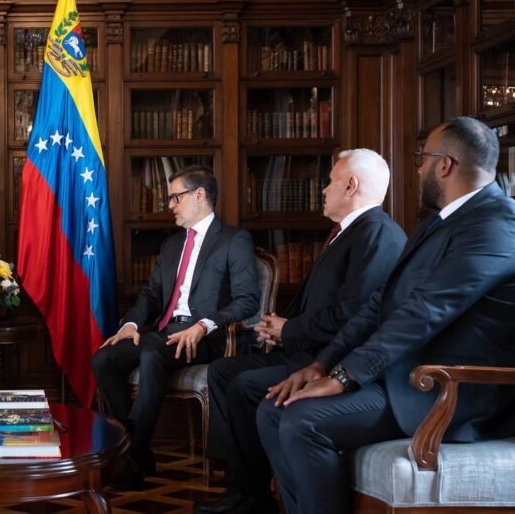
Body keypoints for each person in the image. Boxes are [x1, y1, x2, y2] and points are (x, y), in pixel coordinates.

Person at [256, 116, 515, 514]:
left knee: (302, 420)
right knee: (272, 410)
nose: (418, 168)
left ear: (444, 166)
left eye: (422, 158)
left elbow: (424, 312)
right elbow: (380, 302)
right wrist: (323, 364)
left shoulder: (498, 224)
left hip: (448, 389)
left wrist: (345, 377)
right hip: (403, 374)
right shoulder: (437, 221)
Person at [194, 149, 407, 514]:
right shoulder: (348, 232)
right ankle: (246, 491)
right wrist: (277, 329)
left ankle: (252, 497)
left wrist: (290, 330)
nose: (323, 190)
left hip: (330, 359)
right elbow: (323, 302)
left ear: (351, 185)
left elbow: (354, 314)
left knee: (244, 385)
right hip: (304, 348)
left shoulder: (378, 234)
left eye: (330, 182)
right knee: (223, 372)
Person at [92, 165, 260, 489]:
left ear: (200, 195)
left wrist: (204, 326)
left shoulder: (233, 240)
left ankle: (130, 456)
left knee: (152, 353)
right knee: (104, 358)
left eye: (175, 197)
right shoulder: (172, 244)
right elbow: (151, 293)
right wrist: (130, 324)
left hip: (205, 337)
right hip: (164, 331)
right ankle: (136, 449)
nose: (170, 205)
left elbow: (248, 300)